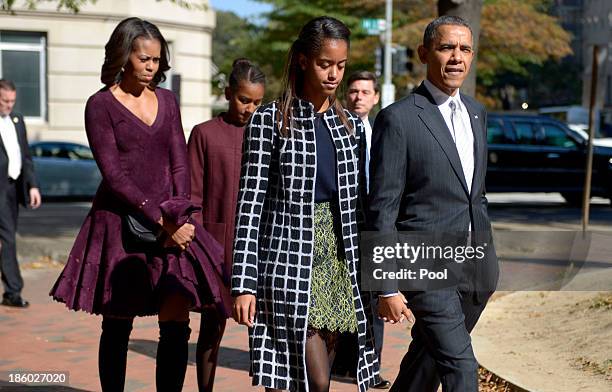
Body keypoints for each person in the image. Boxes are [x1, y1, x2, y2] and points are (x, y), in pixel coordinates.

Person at [50, 17, 229, 392]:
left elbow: (179, 160)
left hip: (171, 224)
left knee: (177, 318)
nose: (151, 67)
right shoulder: (100, 105)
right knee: (118, 322)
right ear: (123, 55)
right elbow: (114, 176)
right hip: (120, 224)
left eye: (157, 60)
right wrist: (161, 218)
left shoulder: (167, 100)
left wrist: (179, 213)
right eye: (144, 58)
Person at [231, 16, 380, 392]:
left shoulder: (348, 127)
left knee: (315, 379)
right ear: (301, 60)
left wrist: (377, 275)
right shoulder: (270, 121)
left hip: (338, 260)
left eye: (340, 65)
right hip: (287, 258)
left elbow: (358, 205)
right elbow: (249, 205)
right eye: (324, 63)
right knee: (312, 380)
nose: (333, 74)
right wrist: (243, 284)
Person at [368, 16, 499, 392]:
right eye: (446, 47)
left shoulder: (477, 113)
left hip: (476, 267)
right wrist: (387, 286)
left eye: (465, 49)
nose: (457, 57)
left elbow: (476, 192)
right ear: (425, 53)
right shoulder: (399, 119)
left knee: (427, 358)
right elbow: (383, 208)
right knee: (461, 366)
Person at [188, 58, 265, 392]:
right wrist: (199, 248)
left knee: (264, 335)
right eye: (243, 99)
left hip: (261, 246)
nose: (249, 108)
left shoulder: (268, 134)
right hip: (216, 248)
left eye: (257, 102)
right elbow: (192, 194)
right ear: (227, 93)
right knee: (210, 329)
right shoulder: (204, 134)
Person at [335, 70, 389, 389]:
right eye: (353, 91)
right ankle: (342, 362)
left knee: (375, 295)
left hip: (375, 226)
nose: (358, 97)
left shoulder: (382, 131)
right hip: (345, 225)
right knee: (346, 294)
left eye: (365, 92)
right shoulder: (337, 130)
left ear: (375, 97)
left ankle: (371, 366)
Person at [0, 79, 41, 308]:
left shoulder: (17, 120)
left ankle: (11, 290)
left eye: (12, 101)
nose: (9, 105)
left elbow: (25, 155)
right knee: (7, 238)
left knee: (6, 237)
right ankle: (13, 291)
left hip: (13, 189)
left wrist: (32, 185)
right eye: (5, 101)